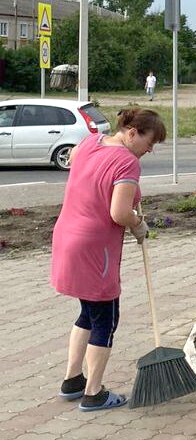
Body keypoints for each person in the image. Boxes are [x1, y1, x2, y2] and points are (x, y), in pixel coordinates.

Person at [51, 108, 165, 411]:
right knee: (105, 318)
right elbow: (118, 213)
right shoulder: (127, 162)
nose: (150, 150)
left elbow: (83, 167)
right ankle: (93, 393)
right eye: (149, 142)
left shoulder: (90, 143)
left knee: (87, 313)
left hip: (66, 236)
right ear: (131, 133)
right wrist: (138, 224)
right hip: (94, 247)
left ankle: (72, 380)